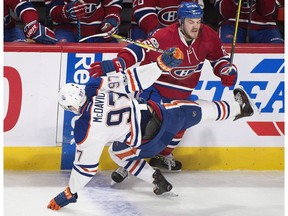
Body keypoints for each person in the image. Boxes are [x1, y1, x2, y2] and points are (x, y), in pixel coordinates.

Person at [47, 48, 256, 210]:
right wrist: (159, 65)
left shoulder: (83, 128)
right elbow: (133, 80)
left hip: (145, 144)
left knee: (117, 152)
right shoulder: (96, 85)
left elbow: (85, 168)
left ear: (70, 107)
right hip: (160, 119)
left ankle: (155, 179)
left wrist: (70, 192)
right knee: (189, 107)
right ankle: (239, 109)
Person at [88, 1, 238, 173]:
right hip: (156, 89)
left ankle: (164, 157)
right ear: (180, 22)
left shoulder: (208, 35)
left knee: (181, 124)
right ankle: (129, 161)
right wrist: (117, 63)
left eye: (198, 21)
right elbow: (139, 50)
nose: (195, 26)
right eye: (191, 22)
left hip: (183, 93)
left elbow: (218, 58)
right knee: (147, 127)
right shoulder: (165, 36)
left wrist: (226, 70)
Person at [45, 0, 123, 42]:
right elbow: (52, 11)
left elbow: (113, 6)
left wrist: (111, 21)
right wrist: (66, 11)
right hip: (67, 31)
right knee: (59, 46)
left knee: (115, 52)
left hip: (99, 32)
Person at [214, 0, 284, 43]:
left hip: (265, 26)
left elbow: (267, 12)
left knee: (277, 51)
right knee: (225, 50)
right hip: (232, 24)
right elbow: (224, 13)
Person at [129, 0, 204, 40]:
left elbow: (195, 15)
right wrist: (160, 33)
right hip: (145, 31)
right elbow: (143, 13)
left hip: (178, 32)